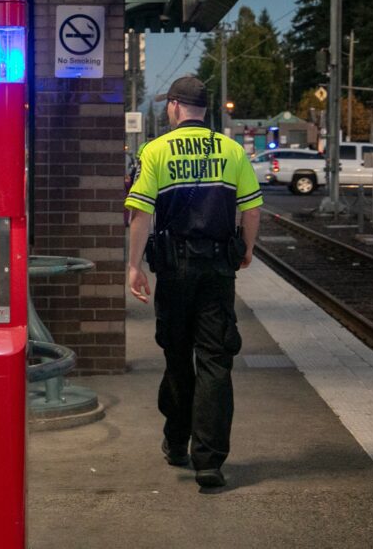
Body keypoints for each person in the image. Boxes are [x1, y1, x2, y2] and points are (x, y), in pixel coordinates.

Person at [125, 76, 262, 488]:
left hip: (174, 269)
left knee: (177, 356)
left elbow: (141, 213)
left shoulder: (155, 150)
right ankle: (210, 462)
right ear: (204, 109)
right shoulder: (232, 150)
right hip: (218, 270)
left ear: (174, 106)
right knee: (216, 360)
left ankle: (176, 440)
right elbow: (252, 209)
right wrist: (246, 249)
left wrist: (134, 265)